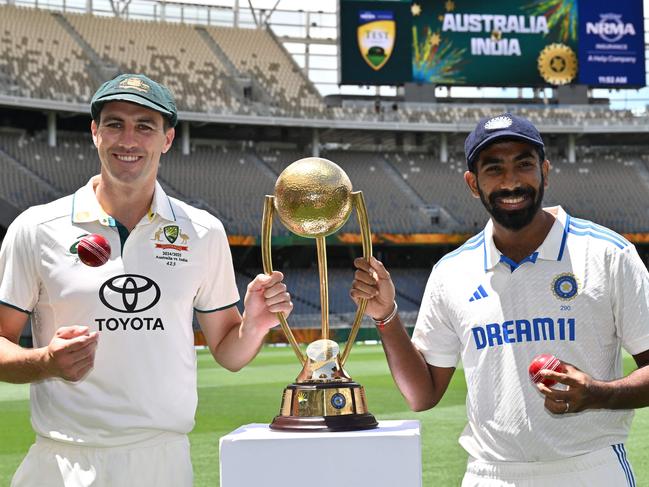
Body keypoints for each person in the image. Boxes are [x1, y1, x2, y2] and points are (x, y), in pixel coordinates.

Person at [0, 74, 292, 486]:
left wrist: (256, 322)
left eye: (145, 126)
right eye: (115, 123)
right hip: (64, 460)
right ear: (95, 133)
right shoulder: (37, 227)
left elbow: (229, 351)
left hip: (163, 462)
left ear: (167, 139)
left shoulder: (202, 231)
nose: (129, 140)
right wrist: (44, 361)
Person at [352, 113, 649, 486]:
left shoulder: (608, 254)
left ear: (545, 170)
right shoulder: (452, 272)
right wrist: (386, 315)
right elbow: (422, 394)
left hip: (590, 469)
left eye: (523, 165)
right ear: (473, 183)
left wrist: (596, 394)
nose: (511, 181)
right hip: (491, 474)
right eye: (494, 169)